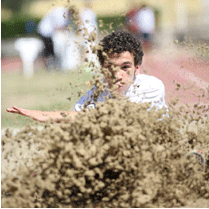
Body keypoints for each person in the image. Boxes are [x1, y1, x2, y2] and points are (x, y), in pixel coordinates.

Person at [6, 31, 167, 122]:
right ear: (102, 70)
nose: (118, 75)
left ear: (137, 68)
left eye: (125, 67)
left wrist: (48, 115)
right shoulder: (94, 95)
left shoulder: (151, 87)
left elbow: (119, 117)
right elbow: (78, 121)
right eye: (110, 68)